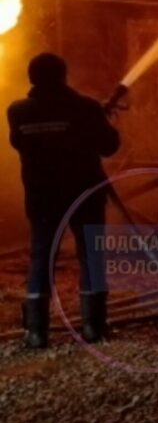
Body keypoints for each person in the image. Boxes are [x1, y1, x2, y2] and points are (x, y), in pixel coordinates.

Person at [7, 53, 120, 348]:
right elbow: (109, 146)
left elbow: (19, 143)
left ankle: (36, 332)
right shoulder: (86, 108)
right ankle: (94, 327)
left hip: (42, 199)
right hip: (85, 196)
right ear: (63, 75)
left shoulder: (18, 112)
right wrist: (101, 120)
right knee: (91, 257)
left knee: (41, 258)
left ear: (32, 79)